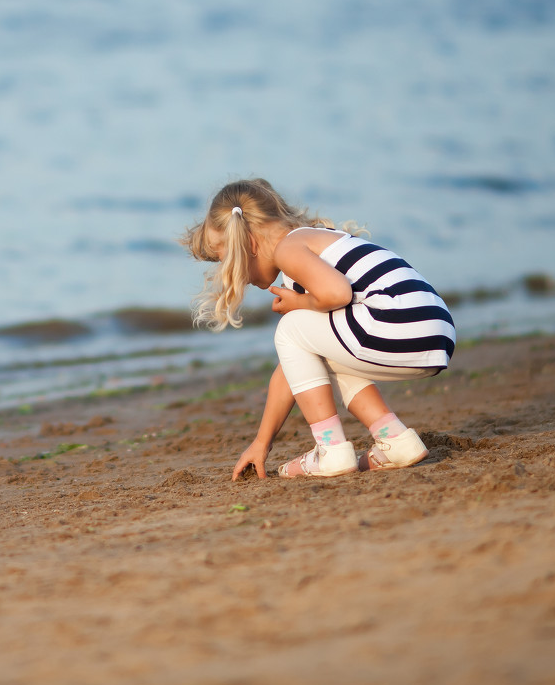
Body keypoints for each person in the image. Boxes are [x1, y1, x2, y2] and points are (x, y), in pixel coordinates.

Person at [181, 178, 455, 480]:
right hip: (432, 329)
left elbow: (338, 293)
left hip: (399, 323)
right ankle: (395, 440)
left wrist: (301, 304)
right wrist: (262, 442)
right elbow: (293, 369)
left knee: (289, 328)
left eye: (225, 260)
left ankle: (332, 450)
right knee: (314, 347)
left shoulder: (290, 250)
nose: (233, 275)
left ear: (249, 243)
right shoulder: (315, 242)